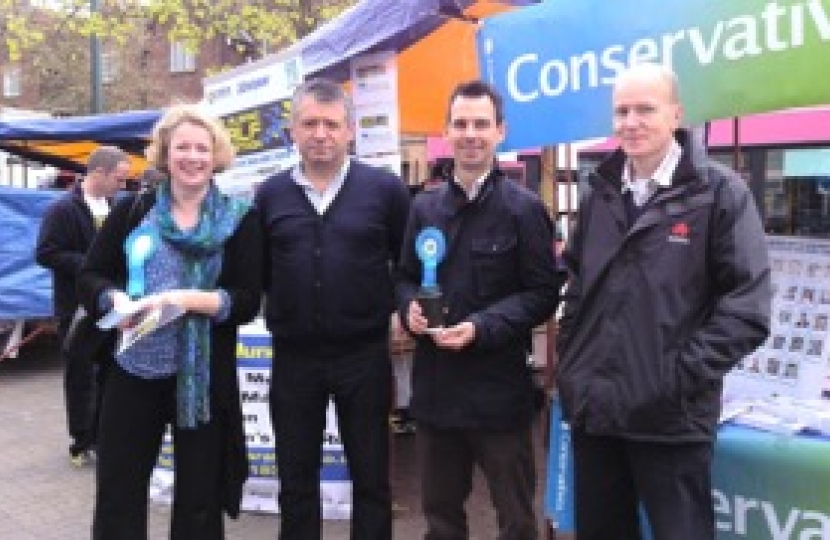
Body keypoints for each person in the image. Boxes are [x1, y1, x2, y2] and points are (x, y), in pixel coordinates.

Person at [556, 63, 771, 540]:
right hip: (599, 414)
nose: (631, 122)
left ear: (676, 114)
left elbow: (747, 310)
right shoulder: (600, 196)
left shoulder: (720, 195)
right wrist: (574, 372)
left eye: (645, 109)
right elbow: (575, 289)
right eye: (621, 111)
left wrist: (676, 378)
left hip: (671, 419)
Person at [76, 104, 264, 539]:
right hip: (132, 371)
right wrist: (113, 298)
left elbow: (248, 300)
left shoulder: (240, 220)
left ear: (216, 154)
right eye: (182, 147)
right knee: (119, 493)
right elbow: (91, 274)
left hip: (200, 380)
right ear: (165, 153)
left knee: (199, 501)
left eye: (202, 148)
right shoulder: (132, 211)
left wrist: (188, 299)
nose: (192, 157)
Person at [396, 80, 560, 540]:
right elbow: (405, 276)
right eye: (461, 123)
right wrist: (409, 307)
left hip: (498, 395)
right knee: (442, 522)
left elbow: (543, 292)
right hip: (435, 395)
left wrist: (482, 326)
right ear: (446, 131)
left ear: (500, 131)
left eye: (481, 124)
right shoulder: (423, 207)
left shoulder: (525, 211)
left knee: (516, 522)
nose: (471, 134)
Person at [255, 78, 410, 539]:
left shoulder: (384, 189)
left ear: (349, 132)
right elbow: (258, 270)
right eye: (310, 124)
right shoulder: (270, 195)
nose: (320, 133)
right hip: (294, 359)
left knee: (371, 479)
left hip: (363, 356)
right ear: (293, 131)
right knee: (296, 481)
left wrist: (404, 306)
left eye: (330, 124)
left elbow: (406, 265)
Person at [36, 145, 131, 466]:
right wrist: (90, 266)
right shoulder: (63, 209)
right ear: (99, 173)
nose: (123, 185)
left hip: (111, 306)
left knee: (109, 372)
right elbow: (45, 252)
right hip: (76, 308)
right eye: (119, 179)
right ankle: (80, 441)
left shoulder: (117, 206)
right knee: (79, 375)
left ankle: (103, 437)